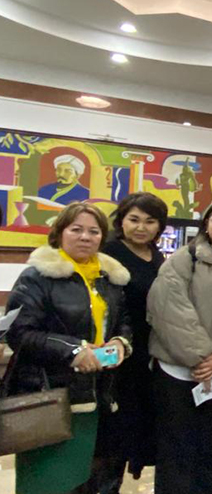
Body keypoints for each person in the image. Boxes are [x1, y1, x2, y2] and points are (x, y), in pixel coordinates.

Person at [5, 202, 132, 494]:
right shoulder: (38, 276)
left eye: (94, 231)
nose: (85, 237)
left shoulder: (108, 277)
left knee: (81, 476)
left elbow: (123, 321)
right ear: (60, 232)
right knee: (46, 480)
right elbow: (19, 332)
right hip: (49, 395)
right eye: (76, 229)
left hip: (96, 394)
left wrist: (120, 343)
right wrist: (73, 350)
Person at [146, 199, 212, 494]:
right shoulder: (184, 259)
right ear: (206, 223)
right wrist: (203, 358)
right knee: (177, 450)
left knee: (211, 448)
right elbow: (169, 311)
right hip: (177, 372)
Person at [99, 192, 168, 489]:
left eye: (150, 221)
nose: (141, 227)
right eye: (134, 220)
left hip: (147, 354)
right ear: (121, 221)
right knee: (111, 432)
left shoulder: (157, 255)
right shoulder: (108, 253)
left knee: (136, 427)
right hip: (116, 351)